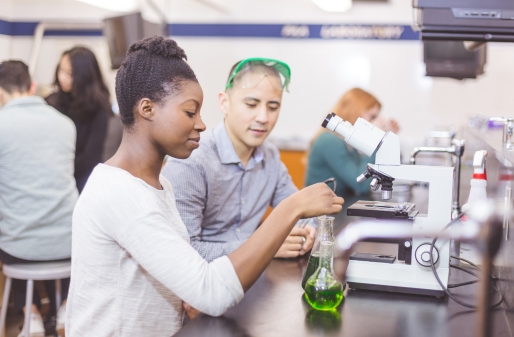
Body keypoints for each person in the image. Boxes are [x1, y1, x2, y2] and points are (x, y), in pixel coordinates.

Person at [66, 36, 343, 336]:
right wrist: (292, 207)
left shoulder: (156, 186)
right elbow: (211, 291)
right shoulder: (121, 194)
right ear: (147, 109)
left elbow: (185, 270)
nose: (200, 124)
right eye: (190, 112)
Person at [162, 58, 317, 263]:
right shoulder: (192, 161)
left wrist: (307, 230)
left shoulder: (270, 157)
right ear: (224, 103)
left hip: (249, 281)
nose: (263, 117)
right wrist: (264, 246)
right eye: (251, 104)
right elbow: (182, 252)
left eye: (273, 107)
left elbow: (299, 211)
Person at [0, 60, 77, 337]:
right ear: (32, 87)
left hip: (19, 249)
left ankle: (30, 314)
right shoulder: (66, 124)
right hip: (69, 245)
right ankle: (67, 307)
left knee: (14, 229)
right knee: (60, 227)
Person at [305, 88, 400, 199]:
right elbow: (361, 185)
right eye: (372, 117)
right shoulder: (329, 141)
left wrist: (385, 139)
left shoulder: (349, 143)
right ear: (355, 112)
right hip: (318, 211)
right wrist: (375, 140)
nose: (375, 121)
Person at [46, 47, 111, 193]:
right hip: (53, 173)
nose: (62, 77)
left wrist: (62, 171)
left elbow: (91, 157)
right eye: (60, 70)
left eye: (69, 73)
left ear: (84, 76)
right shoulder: (51, 102)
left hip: (82, 176)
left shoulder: (99, 108)